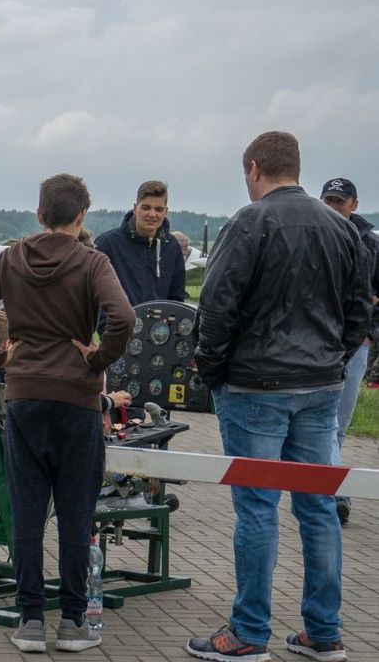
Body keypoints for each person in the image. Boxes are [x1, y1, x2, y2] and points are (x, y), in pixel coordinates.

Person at [187, 132, 370, 662]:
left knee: (258, 509)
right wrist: (332, 362)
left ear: (253, 168)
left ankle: (248, 633)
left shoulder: (250, 222)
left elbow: (217, 305)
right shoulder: (342, 228)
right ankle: (324, 631)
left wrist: (213, 371)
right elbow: (359, 312)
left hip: (253, 386)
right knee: (317, 507)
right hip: (320, 385)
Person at [0, 173, 135, 653]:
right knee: (76, 514)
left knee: (28, 515)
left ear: (39, 214)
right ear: (81, 216)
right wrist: (96, 359)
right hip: (76, 398)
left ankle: (29, 620)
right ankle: (72, 623)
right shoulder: (93, 262)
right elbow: (125, 317)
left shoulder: (10, 259)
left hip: (24, 395)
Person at [320, 177, 379, 526]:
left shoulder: (372, 245)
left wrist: (370, 334)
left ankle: (330, 490)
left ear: (354, 204)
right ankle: (332, 493)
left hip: (355, 346)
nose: (333, 207)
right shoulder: (315, 236)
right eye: (327, 200)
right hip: (319, 344)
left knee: (338, 425)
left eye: (339, 201)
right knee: (323, 424)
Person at [94, 180, 186, 307]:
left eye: (158, 209)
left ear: (166, 212)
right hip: (118, 326)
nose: (152, 214)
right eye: (146, 207)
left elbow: (176, 298)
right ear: (135, 208)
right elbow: (95, 295)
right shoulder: (107, 244)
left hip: (158, 326)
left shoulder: (171, 247)